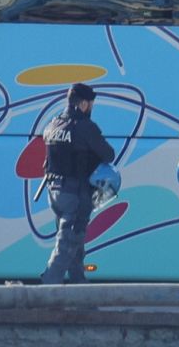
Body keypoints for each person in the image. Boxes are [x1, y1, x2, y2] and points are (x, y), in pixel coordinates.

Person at [40, 82, 115, 284]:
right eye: (91, 104)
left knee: (75, 245)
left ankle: (80, 290)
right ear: (83, 104)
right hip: (75, 193)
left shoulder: (53, 124)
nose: (91, 108)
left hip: (55, 192)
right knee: (67, 245)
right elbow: (108, 154)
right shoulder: (85, 127)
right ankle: (46, 289)